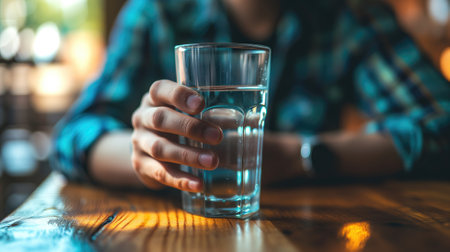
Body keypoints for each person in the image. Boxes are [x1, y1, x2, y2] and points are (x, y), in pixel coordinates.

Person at [51, 0, 450, 191]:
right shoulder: (156, 13)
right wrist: (147, 159)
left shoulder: (350, 16)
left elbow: (441, 125)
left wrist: (300, 155)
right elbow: (74, 136)